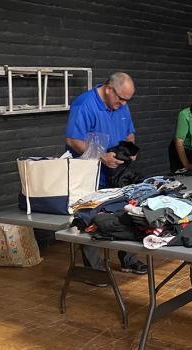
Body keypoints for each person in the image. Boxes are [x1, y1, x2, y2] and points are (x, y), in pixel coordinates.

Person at [65, 72, 147, 279]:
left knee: (127, 211)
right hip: (90, 173)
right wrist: (102, 157)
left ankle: (128, 260)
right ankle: (93, 270)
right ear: (109, 89)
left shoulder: (122, 104)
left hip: (117, 171)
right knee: (89, 216)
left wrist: (130, 149)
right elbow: (73, 140)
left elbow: (129, 132)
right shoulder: (85, 104)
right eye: (120, 99)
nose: (123, 103)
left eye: (127, 100)